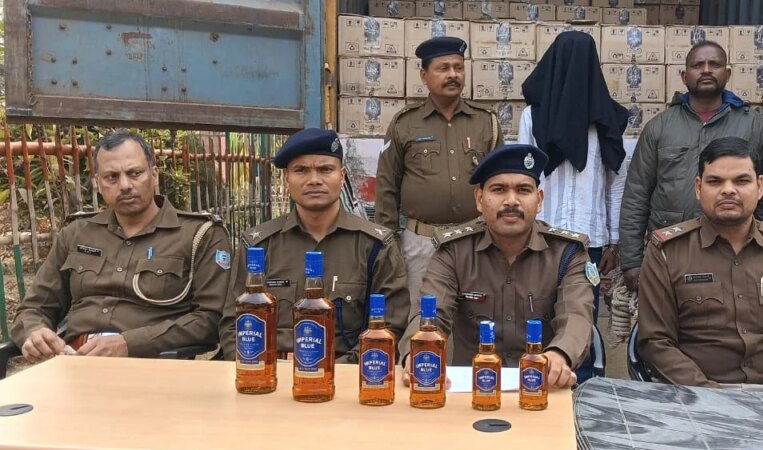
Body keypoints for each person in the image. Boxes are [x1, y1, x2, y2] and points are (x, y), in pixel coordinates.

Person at [11, 130, 230, 360]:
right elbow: (34, 308)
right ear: (98, 183)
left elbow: (211, 319)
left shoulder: (199, 235)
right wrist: (35, 333)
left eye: (135, 173)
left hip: (154, 365)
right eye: (112, 177)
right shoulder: (76, 233)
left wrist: (130, 344)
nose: (125, 185)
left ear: (154, 175)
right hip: (75, 361)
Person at [637, 137, 763, 393]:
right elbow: (655, 343)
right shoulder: (667, 252)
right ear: (698, 188)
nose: (728, 190)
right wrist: (712, 399)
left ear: (760, 186)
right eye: (715, 181)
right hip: (696, 397)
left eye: (741, 181)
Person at [398, 144, 594, 389]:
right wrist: (417, 352)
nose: (511, 201)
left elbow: (576, 316)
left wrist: (559, 355)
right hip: (471, 390)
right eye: (499, 190)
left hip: (543, 386)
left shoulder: (566, 253)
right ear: (480, 199)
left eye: (523, 190)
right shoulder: (454, 251)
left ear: (539, 200)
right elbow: (431, 313)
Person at [220, 129, 409, 363]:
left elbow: (390, 328)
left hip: (347, 374)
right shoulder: (258, 245)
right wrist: (259, 369)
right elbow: (233, 325)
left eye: (325, 169)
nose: (314, 180)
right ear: (287, 179)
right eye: (301, 170)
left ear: (342, 176)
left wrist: (331, 372)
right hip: (269, 373)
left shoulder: (375, 246)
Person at [619, 40, 763, 292]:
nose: (706, 70)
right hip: (671, 249)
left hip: (736, 250)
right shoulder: (660, 127)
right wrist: (631, 261)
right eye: (698, 65)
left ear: (727, 74)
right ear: (684, 76)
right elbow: (636, 194)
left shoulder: (753, 125)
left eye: (714, 64)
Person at [518, 31, 629, 381]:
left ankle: (580, 387)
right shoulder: (533, 117)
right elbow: (523, 178)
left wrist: (613, 241)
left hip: (588, 241)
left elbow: (615, 184)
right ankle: (534, 379)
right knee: (535, 312)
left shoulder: (608, 120)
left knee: (582, 316)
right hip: (539, 237)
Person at [375, 36, 503, 307]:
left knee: (477, 315)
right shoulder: (404, 123)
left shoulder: (486, 122)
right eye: (443, 68)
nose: (453, 75)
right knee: (422, 317)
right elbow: (387, 187)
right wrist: (389, 245)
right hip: (421, 243)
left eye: (458, 67)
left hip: (475, 241)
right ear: (424, 75)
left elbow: (501, 183)